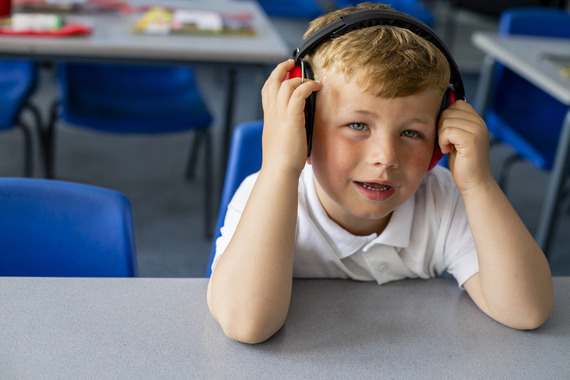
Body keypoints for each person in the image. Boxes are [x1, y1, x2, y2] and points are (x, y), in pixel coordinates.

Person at [207, 2, 553, 344]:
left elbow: (526, 310)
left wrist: (479, 184)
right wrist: (280, 166)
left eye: (412, 133)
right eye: (358, 125)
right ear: (305, 125)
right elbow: (246, 324)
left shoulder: (445, 201)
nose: (386, 158)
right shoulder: (267, 195)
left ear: (437, 143)